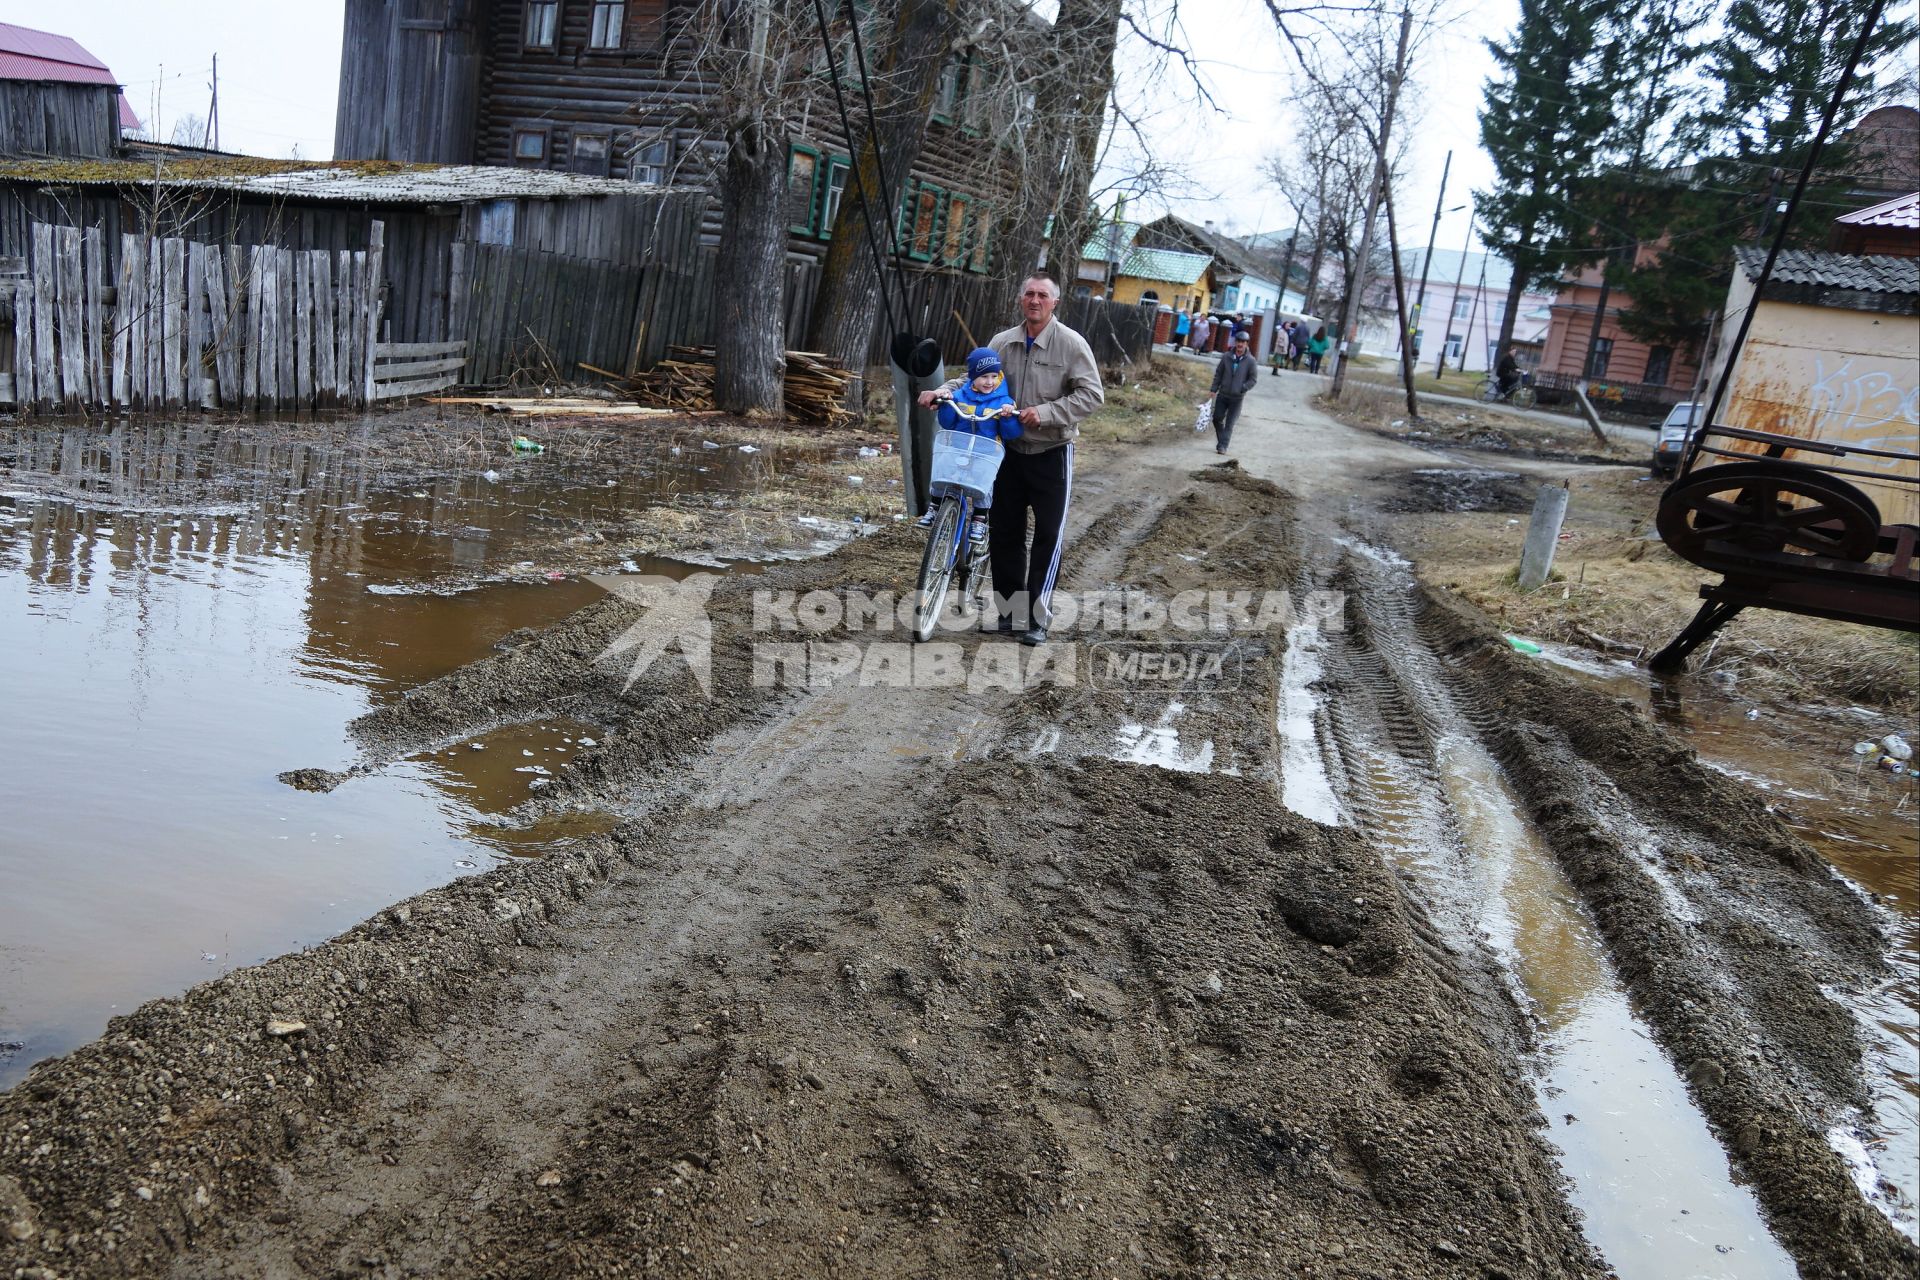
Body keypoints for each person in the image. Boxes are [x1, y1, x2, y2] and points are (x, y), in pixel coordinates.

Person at [918, 274, 1103, 645]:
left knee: (1048, 536)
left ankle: (1038, 619)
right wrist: (942, 390)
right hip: (1005, 452)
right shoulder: (1003, 342)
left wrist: (1046, 413)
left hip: (1052, 453)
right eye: (1030, 294)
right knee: (1005, 533)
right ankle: (1010, 615)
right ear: (1021, 300)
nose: (1035, 300)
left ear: (1055, 303)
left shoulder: (1071, 345)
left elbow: (1092, 396)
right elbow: (972, 381)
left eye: (1043, 295)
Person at [917, 347, 1023, 549]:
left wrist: (1008, 416)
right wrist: (947, 403)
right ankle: (935, 505)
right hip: (959, 447)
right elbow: (948, 423)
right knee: (943, 467)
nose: (989, 382)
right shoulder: (960, 395)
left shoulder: (1004, 401)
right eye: (984, 376)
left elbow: (1010, 434)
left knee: (984, 483)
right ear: (973, 376)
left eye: (993, 376)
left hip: (986, 453)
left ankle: (979, 520)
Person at [1207, 330, 1258, 454]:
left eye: (1243, 342)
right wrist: (1214, 389)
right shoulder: (1226, 357)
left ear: (1246, 344)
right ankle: (1222, 441)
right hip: (1223, 395)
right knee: (1217, 418)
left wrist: (1243, 388)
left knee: (1230, 423)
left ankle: (1223, 446)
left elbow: (1253, 379)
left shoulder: (1251, 361)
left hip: (1237, 398)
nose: (1240, 344)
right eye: (1239, 342)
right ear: (1235, 343)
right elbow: (1218, 374)